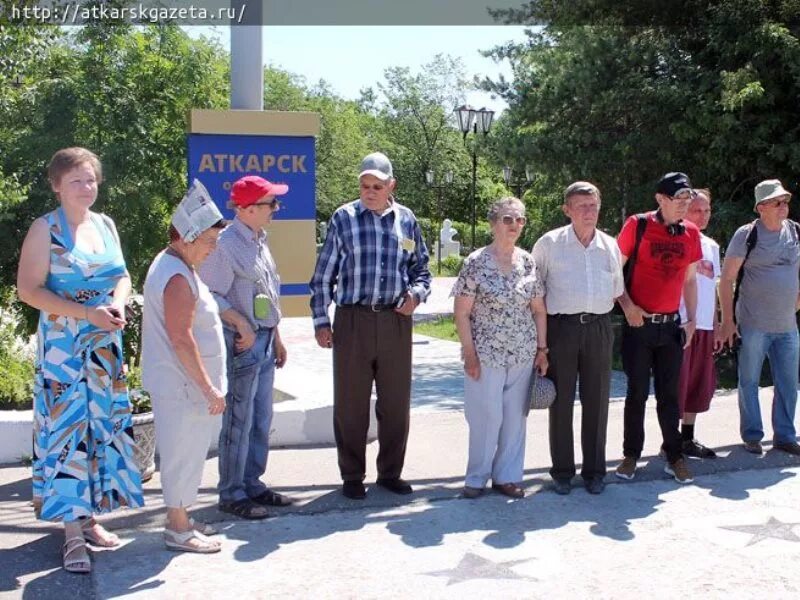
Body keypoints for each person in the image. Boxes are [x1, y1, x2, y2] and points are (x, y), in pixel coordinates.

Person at [17, 147, 143, 573]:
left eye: (90, 180)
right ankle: (71, 534)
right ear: (57, 185)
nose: (86, 188)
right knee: (68, 433)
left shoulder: (105, 225)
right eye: (76, 181)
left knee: (99, 430)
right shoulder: (44, 229)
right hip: (64, 350)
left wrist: (119, 306)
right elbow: (29, 291)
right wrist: (87, 313)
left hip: (104, 345)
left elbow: (122, 275)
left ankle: (88, 518)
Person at [309, 152, 431, 500]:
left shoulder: (406, 220)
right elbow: (322, 277)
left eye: (377, 186)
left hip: (395, 320)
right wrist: (321, 320)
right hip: (353, 320)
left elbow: (421, 269)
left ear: (391, 185)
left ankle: (390, 473)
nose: (370, 192)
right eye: (365, 186)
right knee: (351, 403)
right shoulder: (343, 219)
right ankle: (352, 475)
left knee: (395, 403)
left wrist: (417, 296)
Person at [199, 175, 292, 520]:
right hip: (243, 343)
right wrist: (240, 323)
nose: (276, 210)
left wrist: (276, 335)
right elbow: (208, 293)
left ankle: (252, 483)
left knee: (260, 417)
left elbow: (267, 292)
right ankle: (232, 492)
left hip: (265, 340)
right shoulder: (224, 245)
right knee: (239, 419)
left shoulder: (258, 239)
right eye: (271, 204)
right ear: (249, 209)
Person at [141, 180, 227, 553]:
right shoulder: (176, 276)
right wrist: (208, 387)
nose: (213, 249)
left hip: (182, 386)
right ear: (187, 237)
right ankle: (178, 528)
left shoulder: (175, 264)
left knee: (187, 452)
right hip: (184, 387)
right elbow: (181, 338)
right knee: (181, 453)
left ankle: (182, 519)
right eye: (209, 241)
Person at [453, 197, 548, 499]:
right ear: (493, 223)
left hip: (522, 352)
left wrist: (542, 349)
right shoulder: (476, 262)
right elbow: (462, 312)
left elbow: (539, 310)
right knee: (485, 415)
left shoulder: (528, 261)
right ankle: (477, 476)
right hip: (485, 353)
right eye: (508, 219)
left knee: (514, 418)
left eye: (520, 220)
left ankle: (507, 476)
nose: (515, 225)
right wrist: (468, 351)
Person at [532, 182, 623, 495]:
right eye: (581, 206)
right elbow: (535, 294)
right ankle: (562, 472)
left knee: (597, 401)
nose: (589, 212)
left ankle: (595, 472)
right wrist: (540, 345)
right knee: (562, 402)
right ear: (567, 210)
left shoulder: (610, 245)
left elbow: (616, 289)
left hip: (599, 328)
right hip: (561, 330)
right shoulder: (549, 244)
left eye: (593, 205)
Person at [615, 172, 701, 484]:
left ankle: (674, 456)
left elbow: (690, 280)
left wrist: (691, 320)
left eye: (687, 198)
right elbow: (612, 271)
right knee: (636, 393)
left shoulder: (691, 233)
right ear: (660, 199)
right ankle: (630, 456)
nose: (684, 204)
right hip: (639, 325)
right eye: (678, 198)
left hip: (671, 328)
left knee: (670, 396)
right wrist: (627, 306)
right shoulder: (637, 225)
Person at [719, 179, 800, 456]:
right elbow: (726, 280)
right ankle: (753, 435)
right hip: (753, 324)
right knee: (749, 381)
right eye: (778, 202)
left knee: (789, 384)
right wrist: (727, 321)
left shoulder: (796, 232)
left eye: (786, 201)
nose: (784, 207)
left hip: (788, 326)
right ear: (761, 207)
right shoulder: (747, 234)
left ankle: (786, 436)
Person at [677, 188, 722, 458]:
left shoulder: (712, 245)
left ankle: (687, 438)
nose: (703, 216)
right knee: (677, 384)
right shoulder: (677, 238)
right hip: (681, 323)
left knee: (697, 384)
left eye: (707, 210)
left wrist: (716, 323)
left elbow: (712, 287)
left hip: (705, 325)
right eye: (697, 210)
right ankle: (669, 440)